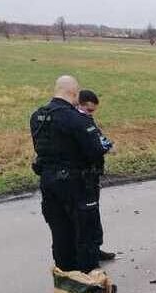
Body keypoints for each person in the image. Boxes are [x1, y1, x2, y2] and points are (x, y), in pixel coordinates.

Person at [30, 76, 112, 273]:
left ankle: (66, 281)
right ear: (74, 93)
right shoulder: (77, 119)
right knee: (86, 235)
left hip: (49, 183)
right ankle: (89, 284)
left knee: (61, 235)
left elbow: (41, 149)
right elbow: (95, 150)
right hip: (76, 184)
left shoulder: (37, 116)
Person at [76, 90, 115, 261]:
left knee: (93, 214)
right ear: (79, 104)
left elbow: (100, 139)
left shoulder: (87, 121)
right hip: (82, 176)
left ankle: (95, 248)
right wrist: (104, 147)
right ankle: (88, 254)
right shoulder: (76, 122)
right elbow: (95, 146)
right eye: (89, 110)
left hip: (93, 174)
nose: (91, 114)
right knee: (85, 216)